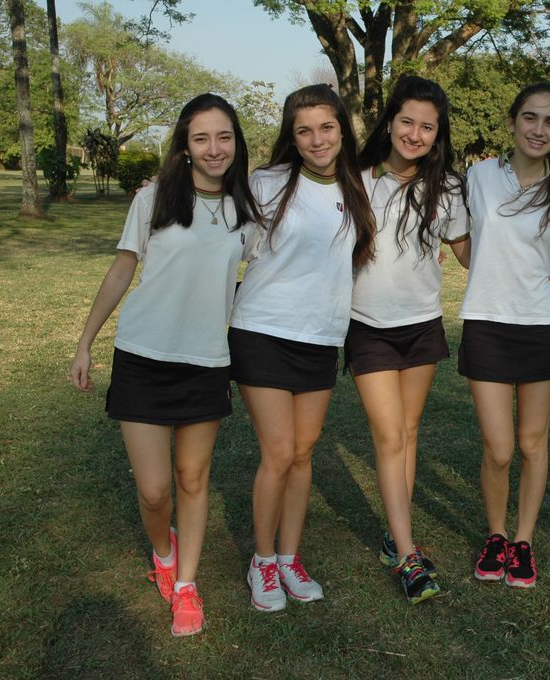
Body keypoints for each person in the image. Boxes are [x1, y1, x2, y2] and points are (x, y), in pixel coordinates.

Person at [69, 94, 261, 636]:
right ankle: (163, 552)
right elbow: (121, 270)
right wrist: (85, 343)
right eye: (201, 138)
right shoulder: (152, 199)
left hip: (205, 361)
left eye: (224, 136)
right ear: (185, 146)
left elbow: (271, 271)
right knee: (155, 490)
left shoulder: (247, 210)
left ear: (236, 142)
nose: (214, 148)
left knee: (192, 479)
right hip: (142, 356)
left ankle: (187, 586)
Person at [229, 84, 375, 613]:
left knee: (303, 453)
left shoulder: (357, 186)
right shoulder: (266, 183)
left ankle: (289, 557)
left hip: (320, 336)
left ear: (342, 130)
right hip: (263, 330)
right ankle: (263, 560)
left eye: (326, 128)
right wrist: (161, 189)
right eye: (305, 131)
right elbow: (224, 233)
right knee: (278, 452)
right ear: (292, 137)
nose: (317, 140)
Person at [348, 75, 470, 604]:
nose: (415, 134)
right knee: (390, 437)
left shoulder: (448, 188)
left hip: (422, 324)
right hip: (367, 326)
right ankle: (406, 555)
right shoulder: (355, 180)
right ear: (390, 121)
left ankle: (393, 536)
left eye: (427, 127)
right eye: (407, 122)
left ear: (438, 134)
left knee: (410, 432)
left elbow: (467, 251)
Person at [460, 82, 550, 588]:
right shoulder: (478, 176)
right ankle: (496, 535)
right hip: (486, 323)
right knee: (500, 449)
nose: (539, 129)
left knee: (532, 444)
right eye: (530, 117)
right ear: (512, 122)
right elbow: (462, 241)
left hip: (539, 325)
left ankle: (523, 541)